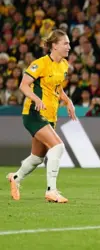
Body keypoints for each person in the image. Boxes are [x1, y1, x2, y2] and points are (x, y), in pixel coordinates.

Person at [6, 29, 77, 203]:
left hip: (51, 115)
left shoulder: (64, 65)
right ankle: (51, 190)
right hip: (34, 113)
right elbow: (24, 85)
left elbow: (57, 88)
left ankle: (15, 178)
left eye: (68, 43)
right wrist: (36, 99)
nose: (69, 46)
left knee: (37, 157)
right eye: (65, 43)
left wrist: (68, 102)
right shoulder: (40, 64)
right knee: (58, 146)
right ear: (54, 46)